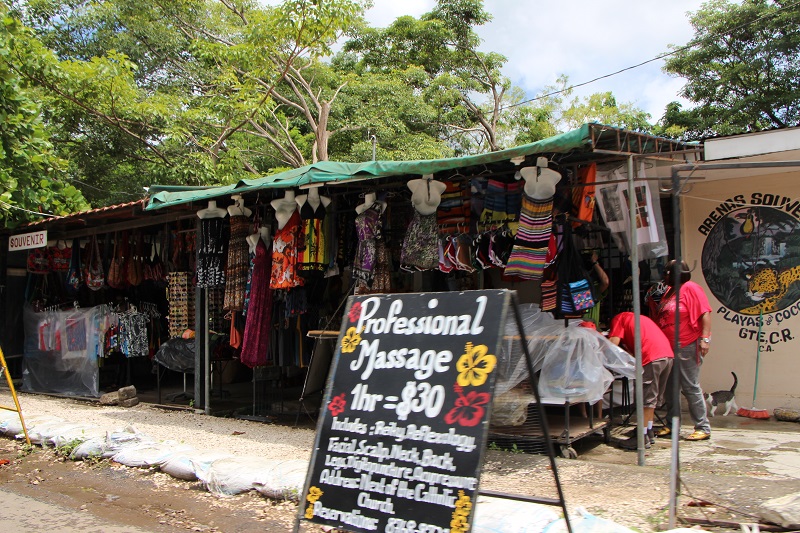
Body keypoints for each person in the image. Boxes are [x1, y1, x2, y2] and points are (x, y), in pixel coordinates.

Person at [654, 259, 713, 441]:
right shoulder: (670, 291)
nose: (665, 276)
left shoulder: (691, 288)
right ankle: (672, 425)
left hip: (686, 345)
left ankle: (703, 427)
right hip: (669, 347)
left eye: (668, 272)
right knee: (671, 389)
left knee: (690, 386)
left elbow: (705, 313)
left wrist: (705, 339)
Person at [607, 311, 675, 450]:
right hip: (667, 356)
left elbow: (612, 345)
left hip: (651, 357)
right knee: (651, 400)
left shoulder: (619, 319)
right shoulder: (639, 318)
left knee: (645, 400)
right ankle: (648, 431)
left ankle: (641, 438)